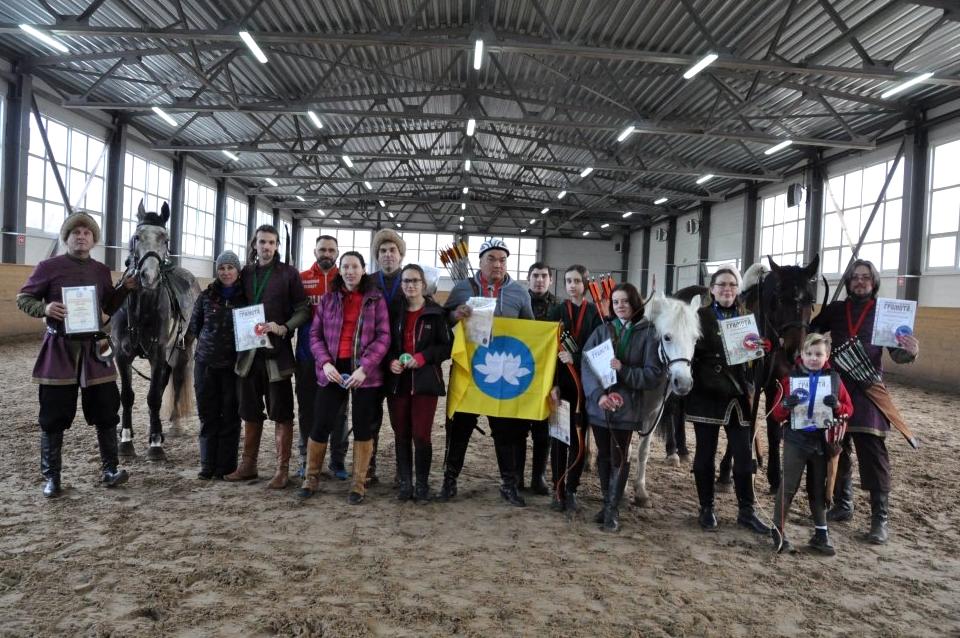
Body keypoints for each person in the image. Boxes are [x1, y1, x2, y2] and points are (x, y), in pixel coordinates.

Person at [17, 211, 137, 497]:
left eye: (86, 233)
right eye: (76, 233)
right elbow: (25, 298)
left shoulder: (100, 270)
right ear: (67, 237)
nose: (81, 237)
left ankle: (109, 470)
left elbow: (108, 303)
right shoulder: (48, 267)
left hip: (96, 349)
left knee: (107, 410)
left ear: (93, 240)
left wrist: (124, 290)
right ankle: (52, 477)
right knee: (54, 413)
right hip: (60, 349)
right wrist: (44, 309)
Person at [810, 259, 920, 544]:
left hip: (869, 387)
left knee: (873, 453)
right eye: (855, 277)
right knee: (837, 447)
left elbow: (898, 355)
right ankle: (843, 504)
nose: (860, 282)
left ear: (874, 282)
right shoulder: (835, 310)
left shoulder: (886, 313)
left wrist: (910, 350)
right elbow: (811, 333)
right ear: (848, 282)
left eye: (866, 277)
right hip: (837, 388)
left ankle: (879, 519)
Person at [441, 238, 535, 506]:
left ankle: (509, 484)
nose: (497, 264)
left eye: (502, 259)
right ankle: (449, 480)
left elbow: (530, 331)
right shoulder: (462, 288)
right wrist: (455, 315)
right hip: (468, 371)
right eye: (491, 259)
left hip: (502, 374)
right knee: (459, 428)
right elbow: (443, 320)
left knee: (505, 431)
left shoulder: (519, 293)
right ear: (480, 261)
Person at [300, 251, 391, 504]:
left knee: (363, 427)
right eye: (346, 267)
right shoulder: (329, 299)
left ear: (363, 270)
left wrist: (366, 368)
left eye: (355, 266)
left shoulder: (376, 299)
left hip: (365, 372)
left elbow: (383, 337)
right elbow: (315, 335)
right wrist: (325, 363)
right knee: (321, 423)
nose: (350, 271)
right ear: (340, 270)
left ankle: (358, 483)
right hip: (332, 370)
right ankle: (311, 477)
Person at [686, 267, 769, 535]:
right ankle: (707, 508)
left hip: (738, 397)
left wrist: (760, 352)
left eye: (732, 285)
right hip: (707, 394)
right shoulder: (699, 318)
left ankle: (747, 511)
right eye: (721, 285)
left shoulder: (747, 318)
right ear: (712, 289)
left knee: (744, 458)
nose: (727, 289)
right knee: (704, 456)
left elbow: (752, 361)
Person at [226, 225, 310, 489]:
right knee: (249, 411)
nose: (266, 247)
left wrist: (284, 327)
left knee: (281, 412)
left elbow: (303, 309)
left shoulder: (289, 274)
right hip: (249, 355)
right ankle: (248, 465)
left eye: (271, 242)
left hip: (277, 355)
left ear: (276, 246)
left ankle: (281, 470)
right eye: (262, 242)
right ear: (255, 244)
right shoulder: (245, 273)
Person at [581, 283, 663, 532]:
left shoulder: (649, 333)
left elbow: (653, 375)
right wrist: (597, 395)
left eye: (625, 301)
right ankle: (608, 503)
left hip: (627, 408)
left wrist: (623, 371)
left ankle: (613, 508)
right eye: (615, 302)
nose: (619, 306)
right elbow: (587, 364)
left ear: (635, 303)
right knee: (603, 455)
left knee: (619, 456)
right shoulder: (602, 330)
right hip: (600, 407)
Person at [769, 333, 853, 555]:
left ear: (826, 356)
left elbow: (848, 409)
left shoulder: (834, 380)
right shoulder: (790, 380)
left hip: (821, 441)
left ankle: (821, 533)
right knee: (788, 486)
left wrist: (836, 406)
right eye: (809, 354)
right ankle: (777, 529)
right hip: (796, 440)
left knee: (818, 487)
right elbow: (776, 414)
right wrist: (786, 404)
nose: (814, 358)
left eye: (819, 354)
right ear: (801, 355)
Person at [385, 264, 453, 502]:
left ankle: (422, 483)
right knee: (401, 433)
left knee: (421, 435)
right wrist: (391, 360)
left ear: (423, 285)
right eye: (405, 281)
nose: (410, 285)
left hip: (425, 383)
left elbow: (447, 347)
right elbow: (384, 342)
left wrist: (423, 358)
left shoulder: (436, 312)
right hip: (397, 382)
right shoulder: (393, 311)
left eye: (415, 281)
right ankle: (405, 482)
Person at [546, 264, 601, 512]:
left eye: (577, 281)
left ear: (585, 284)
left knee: (579, 440)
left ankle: (572, 489)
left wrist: (576, 359)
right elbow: (547, 352)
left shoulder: (596, 314)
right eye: (568, 281)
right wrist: (553, 385)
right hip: (561, 385)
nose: (572, 285)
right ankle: (557, 489)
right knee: (559, 439)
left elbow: (601, 352)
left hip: (586, 388)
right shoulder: (556, 311)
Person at [187, 250, 246, 480]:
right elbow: (195, 327)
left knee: (230, 416)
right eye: (222, 268)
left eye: (230, 267)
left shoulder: (245, 298)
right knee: (208, 415)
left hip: (233, 367)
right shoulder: (205, 296)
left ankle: (226, 466)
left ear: (237, 271)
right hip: (206, 365)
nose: (226, 272)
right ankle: (207, 465)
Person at [296, 235, 349, 480]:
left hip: (339, 357)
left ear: (337, 253)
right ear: (314, 251)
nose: (326, 254)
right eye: (322, 250)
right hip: (307, 355)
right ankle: (306, 459)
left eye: (331, 250)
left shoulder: (346, 279)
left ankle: (337, 461)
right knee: (307, 408)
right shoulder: (302, 279)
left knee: (338, 411)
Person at [368, 229, 407, 488]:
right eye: (383, 251)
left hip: (399, 362)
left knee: (400, 420)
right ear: (377, 255)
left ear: (400, 255)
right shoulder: (367, 281)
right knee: (370, 418)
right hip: (372, 361)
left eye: (392, 250)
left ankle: (402, 470)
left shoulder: (412, 280)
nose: (388, 255)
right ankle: (367, 466)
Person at [519, 262, 557, 495]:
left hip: (548, 377)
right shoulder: (520, 302)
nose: (539, 280)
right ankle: (517, 475)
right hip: (522, 375)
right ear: (528, 279)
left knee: (543, 431)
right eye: (535, 276)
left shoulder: (559, 307)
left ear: (550, 280)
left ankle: (538, 476)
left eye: (544, 276)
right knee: (519, 430)